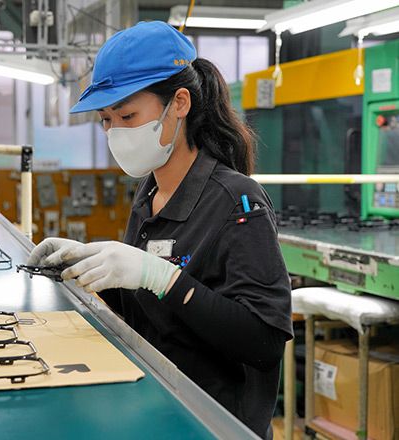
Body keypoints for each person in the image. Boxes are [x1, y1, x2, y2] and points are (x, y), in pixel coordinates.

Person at [27, 21, 293, 439]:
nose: (115, 132)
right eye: (106, 120)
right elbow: (149, 313)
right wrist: (90, 266)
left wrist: (163, 278)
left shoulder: (237, 201)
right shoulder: (149, 192)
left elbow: (264, 341)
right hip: (158, 405)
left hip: (215, 423)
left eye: (128, 116)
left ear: (180, 103)